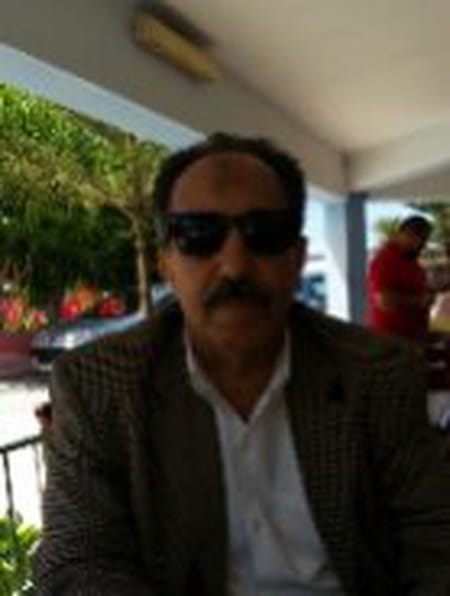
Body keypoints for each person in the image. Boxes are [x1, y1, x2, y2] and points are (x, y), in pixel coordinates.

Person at [34, 133, 450, 595]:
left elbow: (434, 541)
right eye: (198, 235)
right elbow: (77, 559)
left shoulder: (377, 373)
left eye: (264, 234)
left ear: (295, 257)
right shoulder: (97, 384)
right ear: (166, 263)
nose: (234, 266)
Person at [366, 216, 434, 341]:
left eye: (425, 240)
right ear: (405, 234)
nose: (423, 245)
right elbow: (384, 300)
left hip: (411, 335)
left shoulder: (409, 259)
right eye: (420, 239)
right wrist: (419, 301)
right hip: (392, 338)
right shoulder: (386, 259)